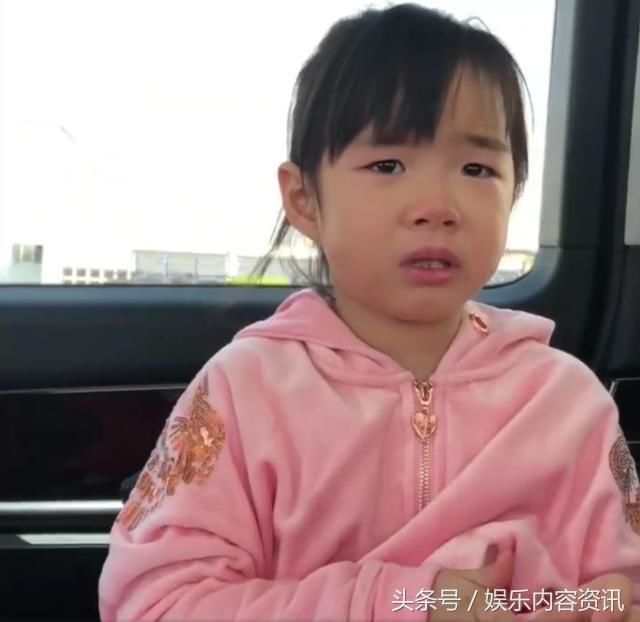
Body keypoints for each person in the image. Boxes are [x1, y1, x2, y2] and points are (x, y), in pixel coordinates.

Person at [98, 4, 640, 620]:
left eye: (477, 169)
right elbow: (157, 602)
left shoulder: (567, 403)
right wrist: (410, 603)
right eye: (388, 165)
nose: (438, 205)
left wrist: (599, 606)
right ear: (304, 198)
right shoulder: (245, 392)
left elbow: (621, 585)